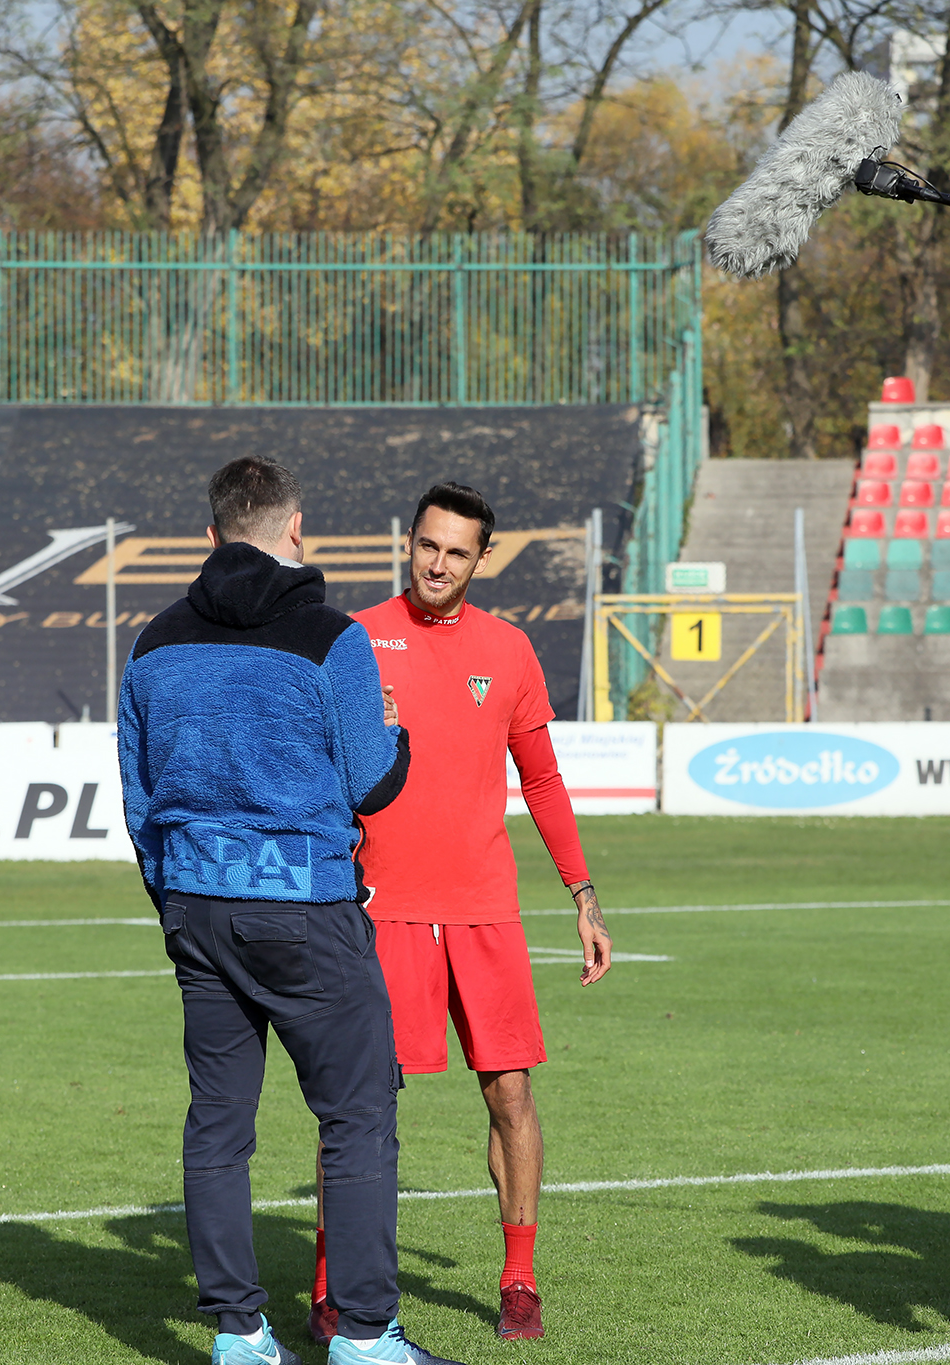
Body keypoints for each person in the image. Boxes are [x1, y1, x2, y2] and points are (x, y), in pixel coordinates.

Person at [118, 456, 462, 1365]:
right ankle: (364, 1335)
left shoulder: (153, 642)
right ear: (296, 530)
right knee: (357, 1116)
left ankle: (239, 1334)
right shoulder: (332, 637)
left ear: (211, 535)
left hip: (197, 905)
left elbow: (139, 799)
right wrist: (399, 736)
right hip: (306, 906)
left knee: (218, 1122)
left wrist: (174, 899)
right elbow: (371, 781)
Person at [307, 481, 613, 1344]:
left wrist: (583, 895)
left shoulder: (508, 650)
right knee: (359, 1105)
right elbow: (321, 771)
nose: (437, 564)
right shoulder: (353, 640)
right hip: (384, 910)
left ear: (483, 558)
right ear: (408, 542)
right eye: (427, 545)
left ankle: (519, 1278)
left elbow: (542, 778)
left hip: (484, 909)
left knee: (511, 1092)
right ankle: (329, 1286)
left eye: (456, 551)